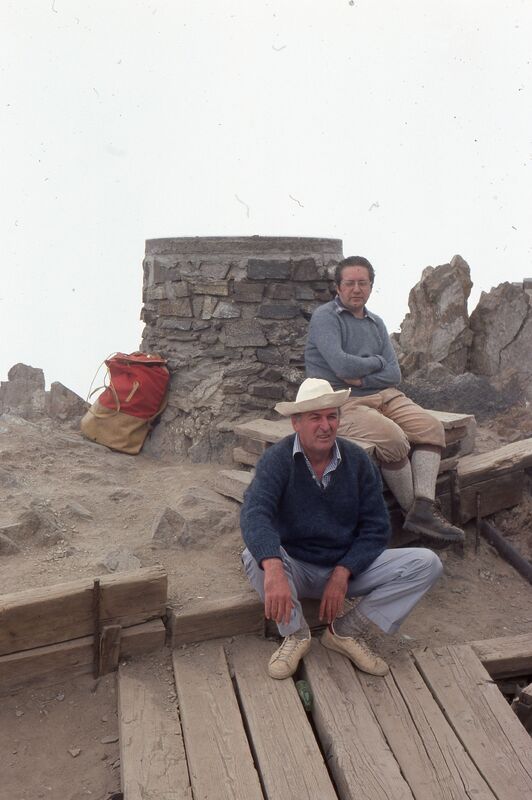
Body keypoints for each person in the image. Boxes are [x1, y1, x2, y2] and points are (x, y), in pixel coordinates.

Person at [240, 377, 443, 680]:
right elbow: (255, 513)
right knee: (254, 556)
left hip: (345, 570)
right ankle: (295, 634)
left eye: (331, 416)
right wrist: (273, 566)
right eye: (315, 417)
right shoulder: (277, 459)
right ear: (296, 423)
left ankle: (346, 632)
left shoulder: (357, 461)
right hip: (296, 566)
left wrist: (344, 570)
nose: (325, 426)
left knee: (426, 563)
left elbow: (376, 527)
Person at [305, 255, 465, 547]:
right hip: (341, 400)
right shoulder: (325, 317)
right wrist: (376, 363)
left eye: (363, 283)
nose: (356, 289)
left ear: (371, 286)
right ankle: (414, 511)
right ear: (338, 287)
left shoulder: (376, 323)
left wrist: (364, 375)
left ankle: (423, 509)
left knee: (431, 428)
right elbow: (341, 366)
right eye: (350, 283)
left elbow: (394, 373)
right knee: (394, 440)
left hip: (385, 394)